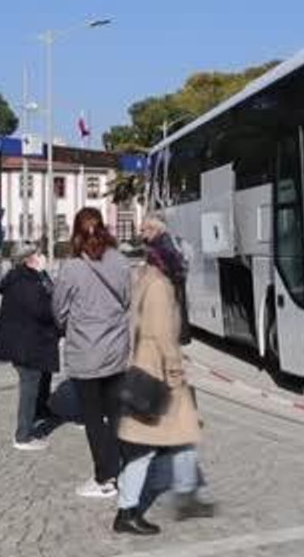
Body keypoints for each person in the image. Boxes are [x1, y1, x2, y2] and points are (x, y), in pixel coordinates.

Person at [113, 240, 215, 536]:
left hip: (149, 366)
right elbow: (162, 334)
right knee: (146, 448)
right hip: (157, 372)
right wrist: (173, 370)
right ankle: (127, 511)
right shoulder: (160, 286)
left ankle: (184, 494)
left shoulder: (146, 278)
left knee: (183, 436)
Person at [52, 207, 132, 499]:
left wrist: (70, 326)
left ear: (75, 232)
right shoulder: (121, 261)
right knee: (116, 413)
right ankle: (126, 469)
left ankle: (104, 478)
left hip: (86, 351)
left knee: (93, 417)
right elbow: (126, 300)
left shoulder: (71, 268)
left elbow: (58, 310)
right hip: (115, 349)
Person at [0, 249, 60, 450]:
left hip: (29, 341)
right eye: (39, 255)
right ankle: (23, 436)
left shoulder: (21, 277)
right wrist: (42, 275)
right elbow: (45, 308)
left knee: (43, 376)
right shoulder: (27, 281)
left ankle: (41, 411)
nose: (43, 258)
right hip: (28, 344)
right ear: (30, 260)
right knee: (30, 385)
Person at [139, 215, 190, 345]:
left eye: (143, 230)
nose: (141, 233)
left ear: (153, 229)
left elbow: (176, 269)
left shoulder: (164, 245)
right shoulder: (158, 243)